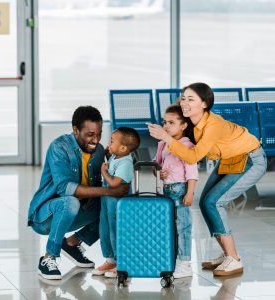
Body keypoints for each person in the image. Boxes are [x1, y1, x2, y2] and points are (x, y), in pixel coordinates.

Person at [148, 83, 267, 276]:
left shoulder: (214, 125)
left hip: (251, 159)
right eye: (184, 98)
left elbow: (192, 156)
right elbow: (179, 148)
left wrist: (166, 137)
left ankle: (234, 258)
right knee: (205, 203)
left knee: (215, 201)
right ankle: (226, 253)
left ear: (204, 104)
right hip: (230, 160)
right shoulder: (193, 124)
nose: (185, 102)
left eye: (191, 99)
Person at [27, 106, 129, 280]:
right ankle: (49, 257)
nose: (96, 140)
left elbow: (106, 182)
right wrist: (108, 190)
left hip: (77, 213)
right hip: (46, 216)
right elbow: (65, 189)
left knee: (111, 206)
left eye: (99, 134)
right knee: (71, 201)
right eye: (90, 135)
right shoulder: (59, 147)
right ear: (75, 130)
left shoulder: (98, 151)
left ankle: (72, 244)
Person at [153, 105, 198, 279]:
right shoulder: (163, 144)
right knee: (169, 226)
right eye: (164, 122)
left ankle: (185, 263)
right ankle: (172, 258)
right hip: (166, 190)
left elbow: (192, 172)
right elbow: (156, 164)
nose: (166, 126)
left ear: (183, 126)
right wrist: (159, 171)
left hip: (181, 190)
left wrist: (190, 193)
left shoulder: (187, 146)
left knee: (183, 226)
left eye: (171, 122)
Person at [92, 127, 140, 278]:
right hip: (107, 202)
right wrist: (109, 152)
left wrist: (104, 173)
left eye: (112, 141)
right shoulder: (116, 157)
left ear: (123, 148)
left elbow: (114, 183)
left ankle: (122, 262)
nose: (109, 143)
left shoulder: (125, 162)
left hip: (118, 204)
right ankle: (110, 259)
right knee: (104, 229)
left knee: (116, 231)